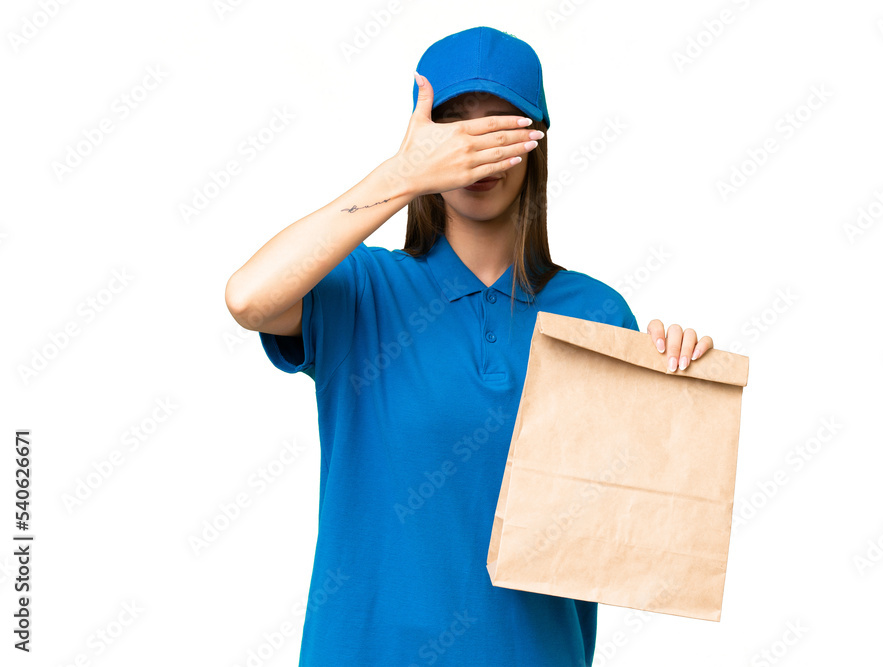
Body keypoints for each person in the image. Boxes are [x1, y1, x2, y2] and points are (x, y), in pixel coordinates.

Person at [225, 25, 714, 667]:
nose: (476, 150)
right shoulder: (363, 289)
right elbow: (249, 298)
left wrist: (679, 389)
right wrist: (401, 174)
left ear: (536, 142)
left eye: (499, 126)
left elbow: (637, 529)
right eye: (454, 128)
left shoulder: (596, 313)